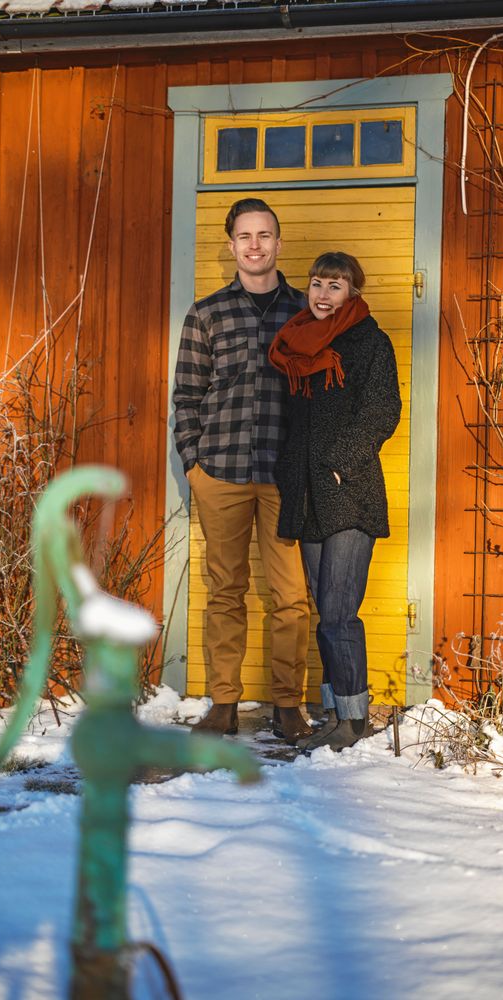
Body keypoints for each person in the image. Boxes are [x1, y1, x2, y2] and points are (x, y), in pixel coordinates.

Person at [173, 198, 312, 744]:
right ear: (230, 245)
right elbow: (186, 395)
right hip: (222, 473)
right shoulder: (207, 314)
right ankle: (223, 703)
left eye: (265, 235)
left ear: (279, 243)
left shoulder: (306, 313)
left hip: (284, 475)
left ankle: (288, 705)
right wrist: (194, 466)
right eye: (245, 236)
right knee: (225, 591)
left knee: (291, 596)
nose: (255, 245)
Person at [269, 252, 401, 751]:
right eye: (317, 284)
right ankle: (336, 713)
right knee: (325, 611)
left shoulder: (371, 342)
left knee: (340, 610)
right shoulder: (299, 345)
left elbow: (383, 409)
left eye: (336, 286)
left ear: (353, 292)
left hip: (351, 494)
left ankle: (354, 718)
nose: (324, 295)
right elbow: (293, 422)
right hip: (308, 495)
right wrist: (290, 472)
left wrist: (341, 463)